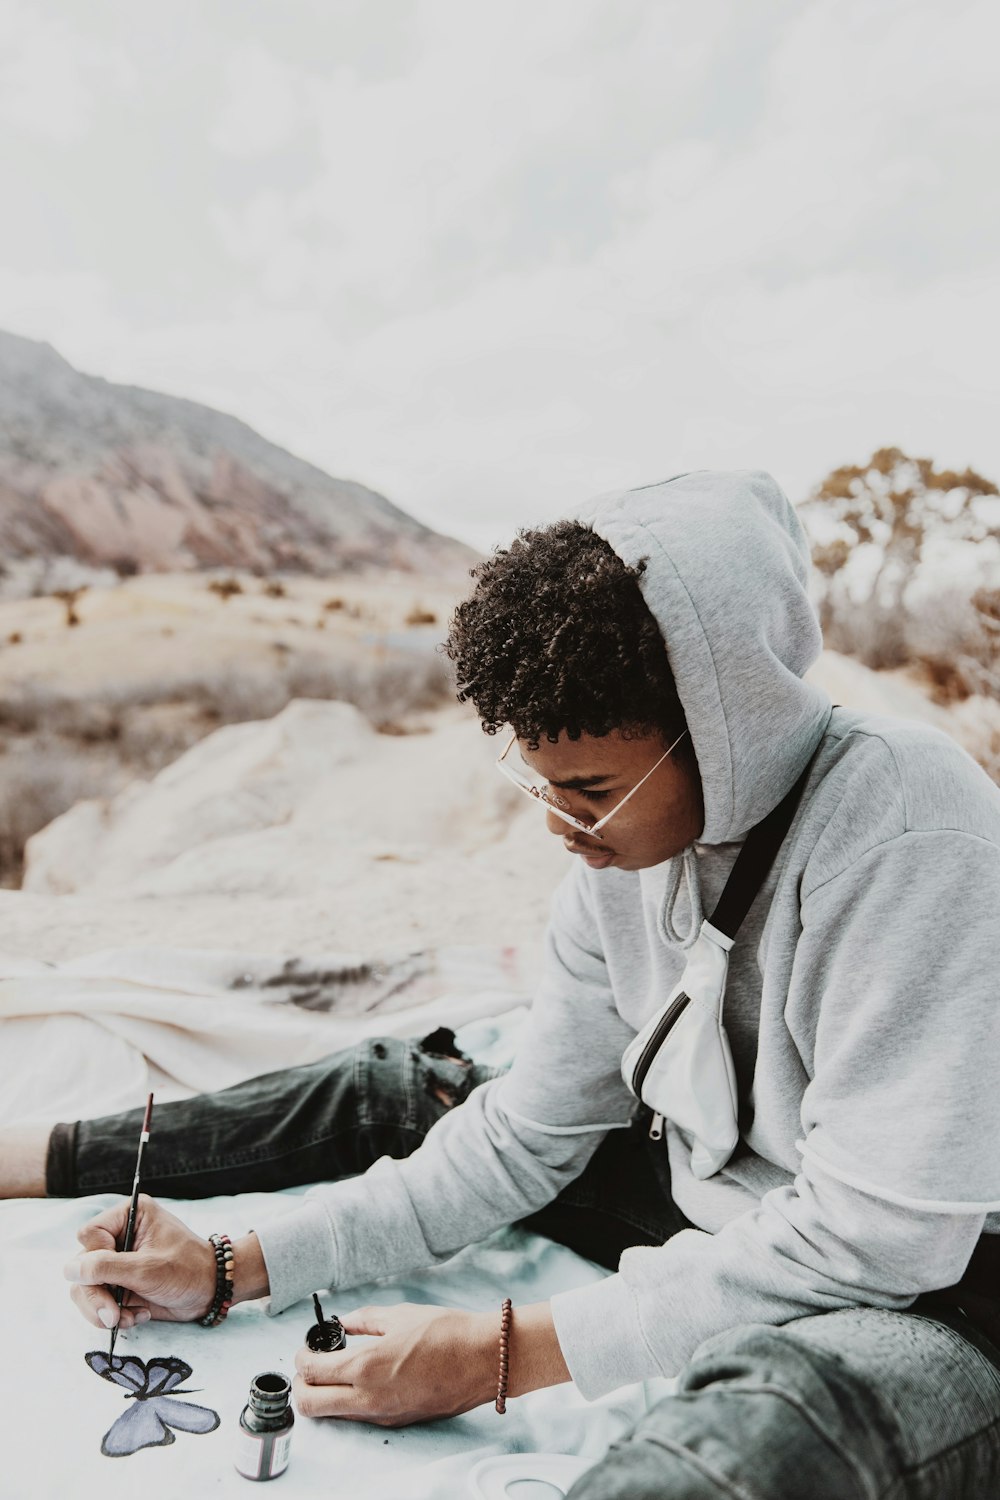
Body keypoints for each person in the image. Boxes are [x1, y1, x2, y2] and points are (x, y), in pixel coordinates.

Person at [4, 469, 1000, 1498]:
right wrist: (227, 1264)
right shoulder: (620, 857)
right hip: (708, 1205)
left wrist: (496, 1351)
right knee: (417, 1089)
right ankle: (39, 1153)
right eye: (537, 782)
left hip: (938, 1296)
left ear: (725, 729)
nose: (558, 825)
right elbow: (525, 1134)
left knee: (770, 1426)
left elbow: (878, 1240)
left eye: (590, 793)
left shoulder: (910, 831)